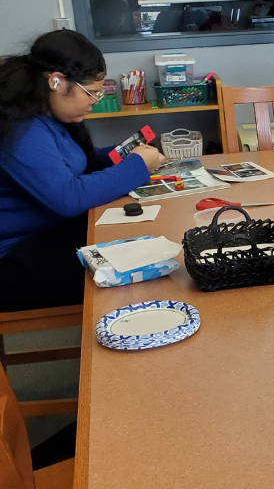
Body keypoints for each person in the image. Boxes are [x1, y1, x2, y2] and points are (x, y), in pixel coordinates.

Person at [0, 30, 164, 311]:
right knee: (136, 274)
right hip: (13, 261)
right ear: (56, 81)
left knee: (137, 239)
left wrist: (121, 155)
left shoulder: (47, 114)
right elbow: (69, 197)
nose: (94, 100)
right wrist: (136, 165)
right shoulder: (23, 130)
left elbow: (76, 163)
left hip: (45, 234)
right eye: (91, 92)